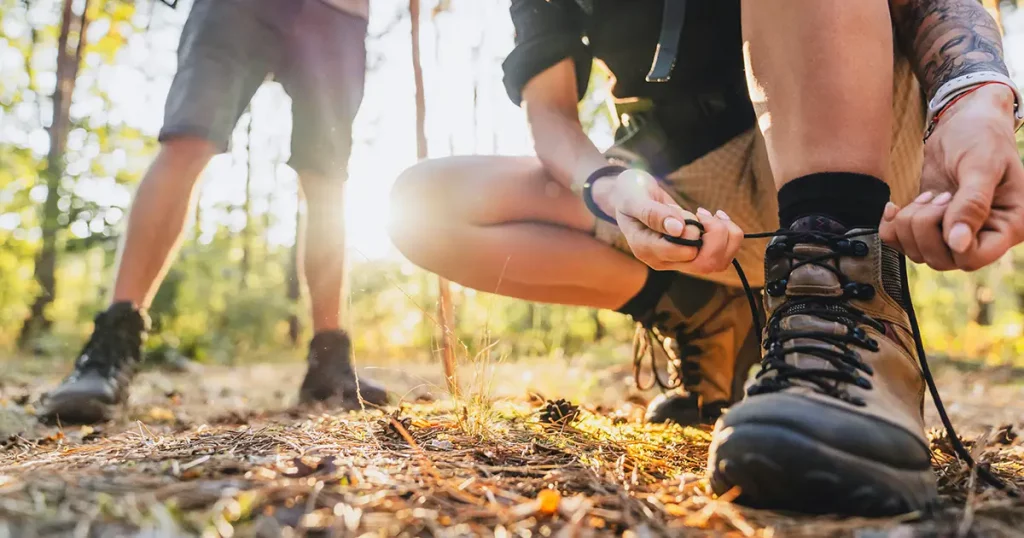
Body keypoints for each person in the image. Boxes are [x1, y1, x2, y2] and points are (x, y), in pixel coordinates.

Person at [389, 0, 1023, 515]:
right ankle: (706, 313)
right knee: (422, 205)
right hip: (684, 181)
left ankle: (851, 304)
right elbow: (550, 116)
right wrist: (608, 186)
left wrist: (973, 99)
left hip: (868, 133)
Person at [40, 0, 388, 424]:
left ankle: (330, 359)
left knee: (327, 178)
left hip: (340, 11)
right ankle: (112, 344)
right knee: (188, 138)